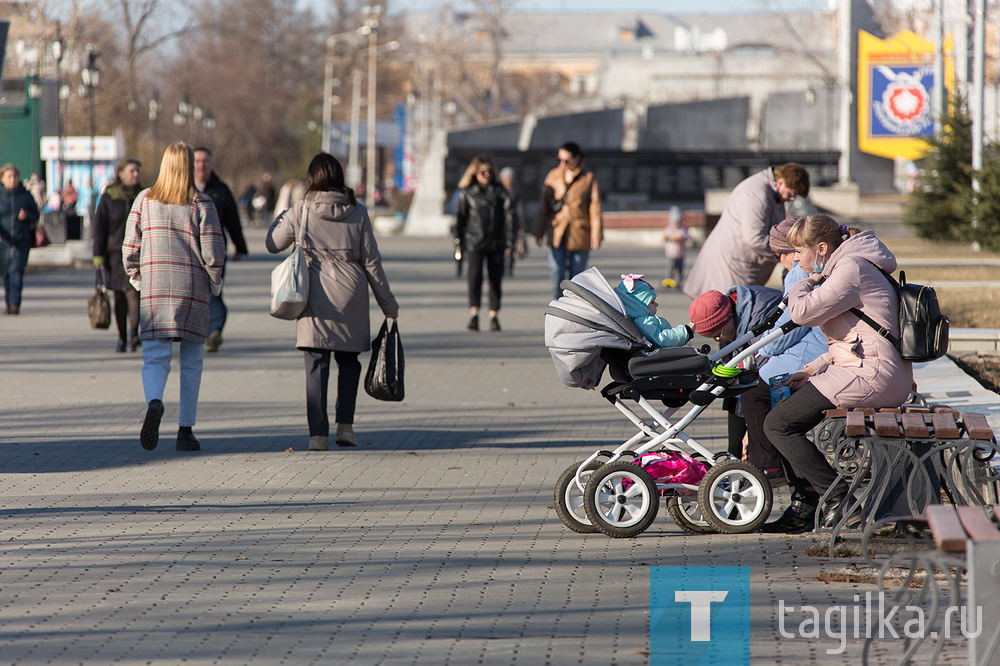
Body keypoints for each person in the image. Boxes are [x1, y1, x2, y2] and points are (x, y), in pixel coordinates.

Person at [761, 214, 913, 533]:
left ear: (820, 248)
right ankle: (809, 501)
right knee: (784, 415)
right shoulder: (851, 265)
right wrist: (811, 369)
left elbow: (802, 312)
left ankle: (837, 498)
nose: (795, 261)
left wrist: (806, 282)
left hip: (871, 374)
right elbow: (852, 337)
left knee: (779, 424)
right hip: (871, 368)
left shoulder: (850, 269)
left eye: (798, 254)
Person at [266, 153, 399, 452]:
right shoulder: (358, 212)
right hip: (351, 292)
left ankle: (317, 436)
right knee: (349, 362)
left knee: (316, 363)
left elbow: (272, 243)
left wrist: (282, 215)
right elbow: (372, 261)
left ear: (313, 179)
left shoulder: (301, 210)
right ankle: (347, 428)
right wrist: (387, 303)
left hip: (314, 292)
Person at [123, 143, 225, 452]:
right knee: (192, 360)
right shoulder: (201, 203)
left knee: (155, 356)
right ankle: (185, 430)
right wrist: (215, 283)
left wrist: (137, 278)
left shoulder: (145, 199)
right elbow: (213, 252)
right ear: (189, 166)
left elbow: (130, 247)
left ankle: (155, 401)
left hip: (155, 287)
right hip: (192, 288)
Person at [737, 217, 828, 480]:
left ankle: (768, 463)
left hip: (821, 355)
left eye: (792, 252)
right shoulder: (812, 271)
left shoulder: (800, 274)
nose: (792, 259)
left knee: (753, 391)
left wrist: (764, 351)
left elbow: (790, 326)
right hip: (821, 351)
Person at [683, 163, 810, 299]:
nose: (789, 199)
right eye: (790, 194)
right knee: (722, 314)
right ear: (780, 182)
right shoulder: (756, 194)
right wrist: (787, 253)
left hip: (741, 269)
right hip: (730, 270)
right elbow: (755, 239)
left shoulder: (770, 192)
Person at [688, 283, 782, 459]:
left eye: (718, 333)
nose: (717, 339)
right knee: (731, 384)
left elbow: (764, 359)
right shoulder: (735, 311)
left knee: (747, 388)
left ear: (726, 317)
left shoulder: (760, 315)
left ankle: (761, 460)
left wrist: (751, 434)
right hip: (767, 356)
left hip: (791, 357)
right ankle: (734, 453)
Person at [194, 147, 249, 353]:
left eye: (205, 161)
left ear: (211, 164)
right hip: (189, 252)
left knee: (214, 292)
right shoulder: (183, 189)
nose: (201, 165)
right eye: (197, 161)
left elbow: (233, 221)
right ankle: (194, 332)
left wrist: (240, 247)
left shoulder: (221, 190)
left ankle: (213, 331)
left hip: (216, 252)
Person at [534, 142, 603, 299]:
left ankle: (573, 304)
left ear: (578, 158)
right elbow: (543, 206)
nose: (563, 164)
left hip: (580, 230)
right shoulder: (553, 175)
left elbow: (595, 208)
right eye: (560, 160)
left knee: (577, 273)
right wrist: (538, 231)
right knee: (555, 267)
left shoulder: (588, 178)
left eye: (567, 160)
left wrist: (596, 235)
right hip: (556, 230)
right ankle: (558, 298)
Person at [454, 155, 514, 332]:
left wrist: (510, 240)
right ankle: (474, 314)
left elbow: (510, 216)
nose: (486, 174)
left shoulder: (500, 191)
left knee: (495, 280)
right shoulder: (466, 193)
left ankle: (494, 315)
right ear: (475, 173)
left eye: (489, 171)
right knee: (474, 279)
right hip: (475, 242)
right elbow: (460, 221)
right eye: (482, 172)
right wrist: (458, 246)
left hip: (497, 242)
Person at [93, 158, 144, 351]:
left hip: (138, 253)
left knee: (133, 292)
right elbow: (99, 229)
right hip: (114, 254)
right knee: (119, 296)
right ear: (121, 174)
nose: (135, 174)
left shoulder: (145, 195)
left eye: (137, 171)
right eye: (132, 171)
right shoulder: (109, 197)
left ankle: (134, 335)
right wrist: (98, 256)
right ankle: (122, 337)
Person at [0, 164, 41, 315]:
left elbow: (36, 215)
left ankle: (15, 303)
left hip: (21, 239)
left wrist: (27, 216)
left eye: (15, 176)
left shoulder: (25, 195)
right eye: (9, 177)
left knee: (16, 270)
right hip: (3, 241)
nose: (13, 179)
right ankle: (8, 302)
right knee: (6, 272)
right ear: (2, 179)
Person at [614, 274, 692, 348]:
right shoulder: (644, 323)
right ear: (638, 305)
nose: (656, 304)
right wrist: (685, 331)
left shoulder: (641, 319)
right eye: (652, 302)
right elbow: (662, 340)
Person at [499, 166, 527, 274]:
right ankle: (501, 264)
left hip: (514, 221)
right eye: (507, 177)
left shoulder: (517, 191)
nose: (509, 179)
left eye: (511, 177)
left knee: (512, 243)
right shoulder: (498, 190)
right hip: (501, 222)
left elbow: (520, 208)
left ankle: (510, 265)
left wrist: (522, 222)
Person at [662, 206, 688, 288]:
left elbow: (683, 236)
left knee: (679, 268)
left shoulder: (683, 229)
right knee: (670, 267)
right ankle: (669, 280)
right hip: (671, 253)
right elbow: (664, 236)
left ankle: (679, 281)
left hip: (680, 253)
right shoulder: (669, 229)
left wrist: (675, 238)